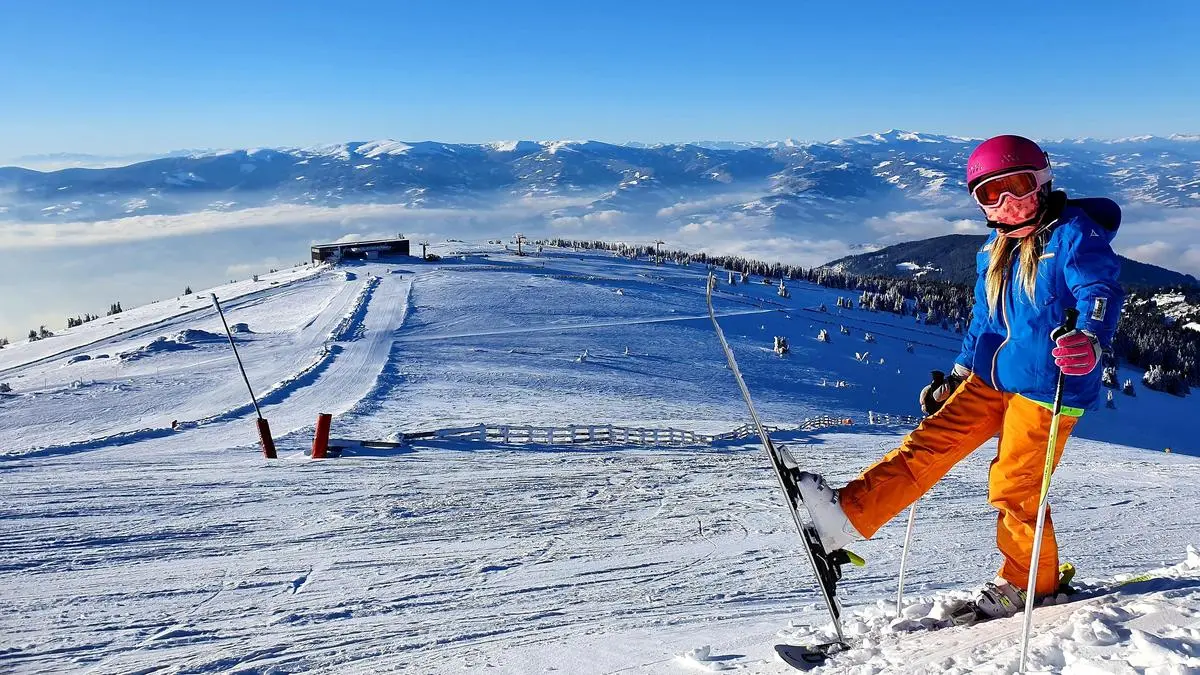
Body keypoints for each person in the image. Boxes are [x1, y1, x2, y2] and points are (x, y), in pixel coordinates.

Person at [797, 135, 1125, 618]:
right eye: (991, 193)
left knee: (1016, 484)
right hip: (990, 379)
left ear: (1043, 182)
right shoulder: (994, 248)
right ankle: (844, 518)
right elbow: (983, 321)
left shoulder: (1073, 235)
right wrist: (959, 373)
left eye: (1018, 186)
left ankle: (1029, 583)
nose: (1008, 202)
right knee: (929, 443)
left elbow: (1100, 290)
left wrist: (1090, 338)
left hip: (1048, 387)